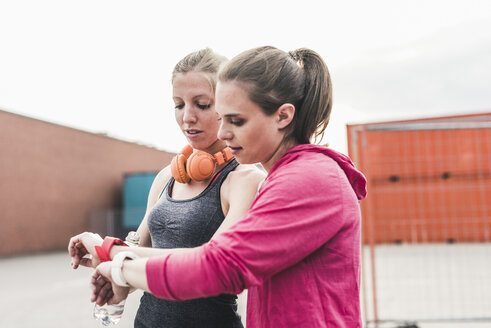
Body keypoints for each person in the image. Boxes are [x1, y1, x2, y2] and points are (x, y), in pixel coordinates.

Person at [89, 46, 367, 327]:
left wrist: (116, 260)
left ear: (283, 117)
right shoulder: (289, 177)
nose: (222, 132)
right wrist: (115, 257)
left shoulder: (309, 179)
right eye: (223, 117)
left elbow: (219, 266)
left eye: (236, 120)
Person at [68, 48, 265, 328]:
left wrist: (110, 252)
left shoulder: (245, 180)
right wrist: (117, 274)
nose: (187, 117)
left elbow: (211, 265)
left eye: (202, 104)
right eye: (179, 104)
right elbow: (139, 251)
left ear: (227, 102)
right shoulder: (167, 177)